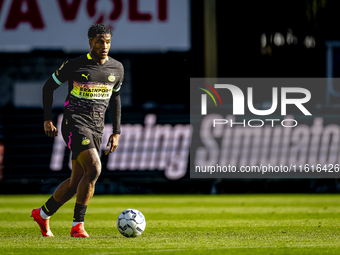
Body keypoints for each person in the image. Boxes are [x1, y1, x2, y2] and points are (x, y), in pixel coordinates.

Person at [31, 24, 124, 238]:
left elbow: (115, 99)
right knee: (94, 169)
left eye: (108, 41)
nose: (105, 45)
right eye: (100, 41)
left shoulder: (117, 68)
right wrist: (47, 119)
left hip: (97, 127)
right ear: (90, 41)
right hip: (74, 123)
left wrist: (116, 130)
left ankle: (42, 214)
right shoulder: (74, 65)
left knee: (76, 182)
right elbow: (48, 87)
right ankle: (77, 225)